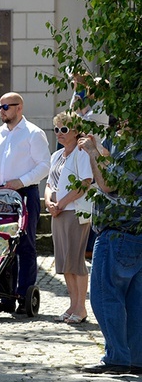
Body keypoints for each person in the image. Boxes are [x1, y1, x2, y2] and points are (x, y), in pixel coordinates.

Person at [0, 92, 50, 314]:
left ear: (19, 108)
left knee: (25, 245)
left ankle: (23, 294)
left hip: (24, 193)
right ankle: (3, 295)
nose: (2, 110)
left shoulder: (33, 133)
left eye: (6, 106)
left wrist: (21, 181)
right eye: (0, 106)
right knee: (1, 243)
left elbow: (44, 165)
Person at [78, 133, 142, 375]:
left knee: (105, 297)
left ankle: (117, 357)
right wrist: (103, 151)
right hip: (134, 231)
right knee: (136, 301)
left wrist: (93, 152)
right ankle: (136, 357)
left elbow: (108, 184)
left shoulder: (135, 146)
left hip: (118, 231)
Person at [44, 112, 93, 325]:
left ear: (75, 131)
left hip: (74, 212)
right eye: (57, 129)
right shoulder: (56, 156)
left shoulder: (81, 153)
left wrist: (62, 203)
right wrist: (48, 203)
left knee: (75, 260)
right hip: (58, 213)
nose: (60, 134)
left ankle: (81, 307)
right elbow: (49, 184)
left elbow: (85, 182)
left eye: (64, 129)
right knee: (64, 261)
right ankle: (72, 305)